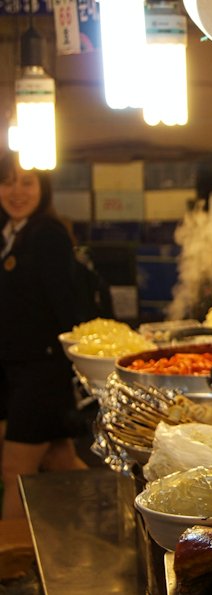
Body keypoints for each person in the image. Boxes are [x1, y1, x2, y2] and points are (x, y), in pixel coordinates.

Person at [0, 152, 88, 519]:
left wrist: (73, 367)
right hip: (14, 367)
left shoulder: (47, 233)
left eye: (28, 182)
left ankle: (14, 565)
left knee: (15, 470)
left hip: (42, 368)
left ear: (44, 188)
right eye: (7, 181)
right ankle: (110, 523)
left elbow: (64, 302)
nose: (17, 191)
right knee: (60, 460)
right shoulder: (9, 233)